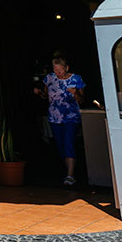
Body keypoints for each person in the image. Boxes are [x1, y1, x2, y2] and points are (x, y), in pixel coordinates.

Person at [35, 54, 85, 187]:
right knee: (60, 145)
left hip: (71, 117)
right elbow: (46, 96)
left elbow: (81, 100)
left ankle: (70, 175)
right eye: (55, 69)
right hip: (54, 117)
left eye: (60, 70)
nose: (57, 72)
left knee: (69, 143)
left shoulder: (76, 79)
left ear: (66, 67)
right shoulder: (49, 78)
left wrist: (75, 92)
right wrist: (39, 93)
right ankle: (69, 168)